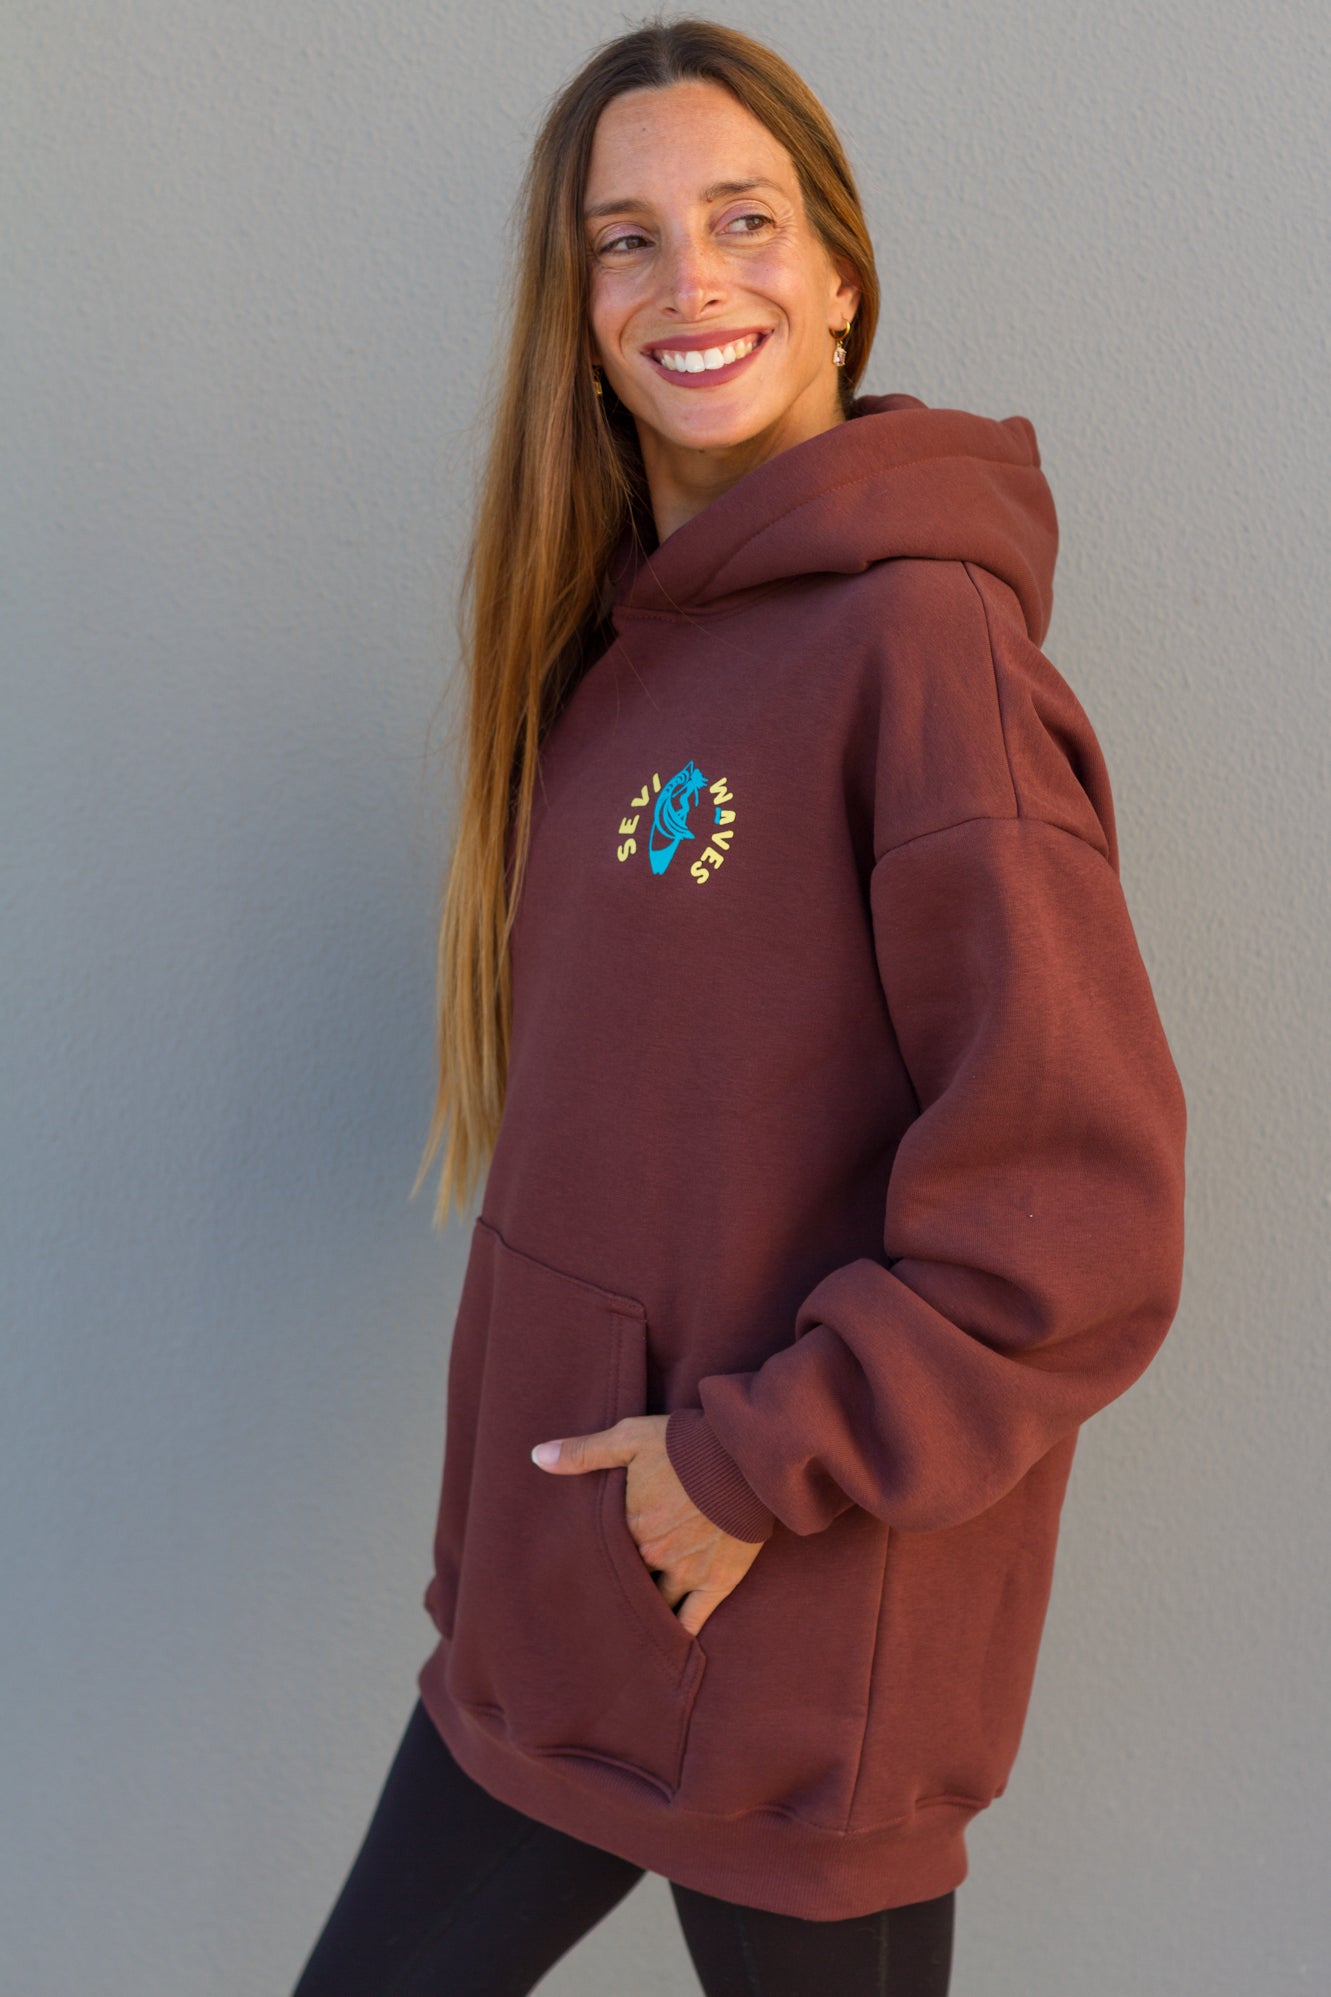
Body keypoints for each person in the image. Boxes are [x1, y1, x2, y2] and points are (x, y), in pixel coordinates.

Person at [290, 16, 1187, 1996]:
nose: (688, 277)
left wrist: (746, 1465)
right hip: (557, 1626)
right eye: (624, 239)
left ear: (841, 275)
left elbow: (1081, 1210)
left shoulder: (923, 647)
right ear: (576, 304)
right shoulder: (619, 658)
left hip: (786, 1654)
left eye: (743, 218)